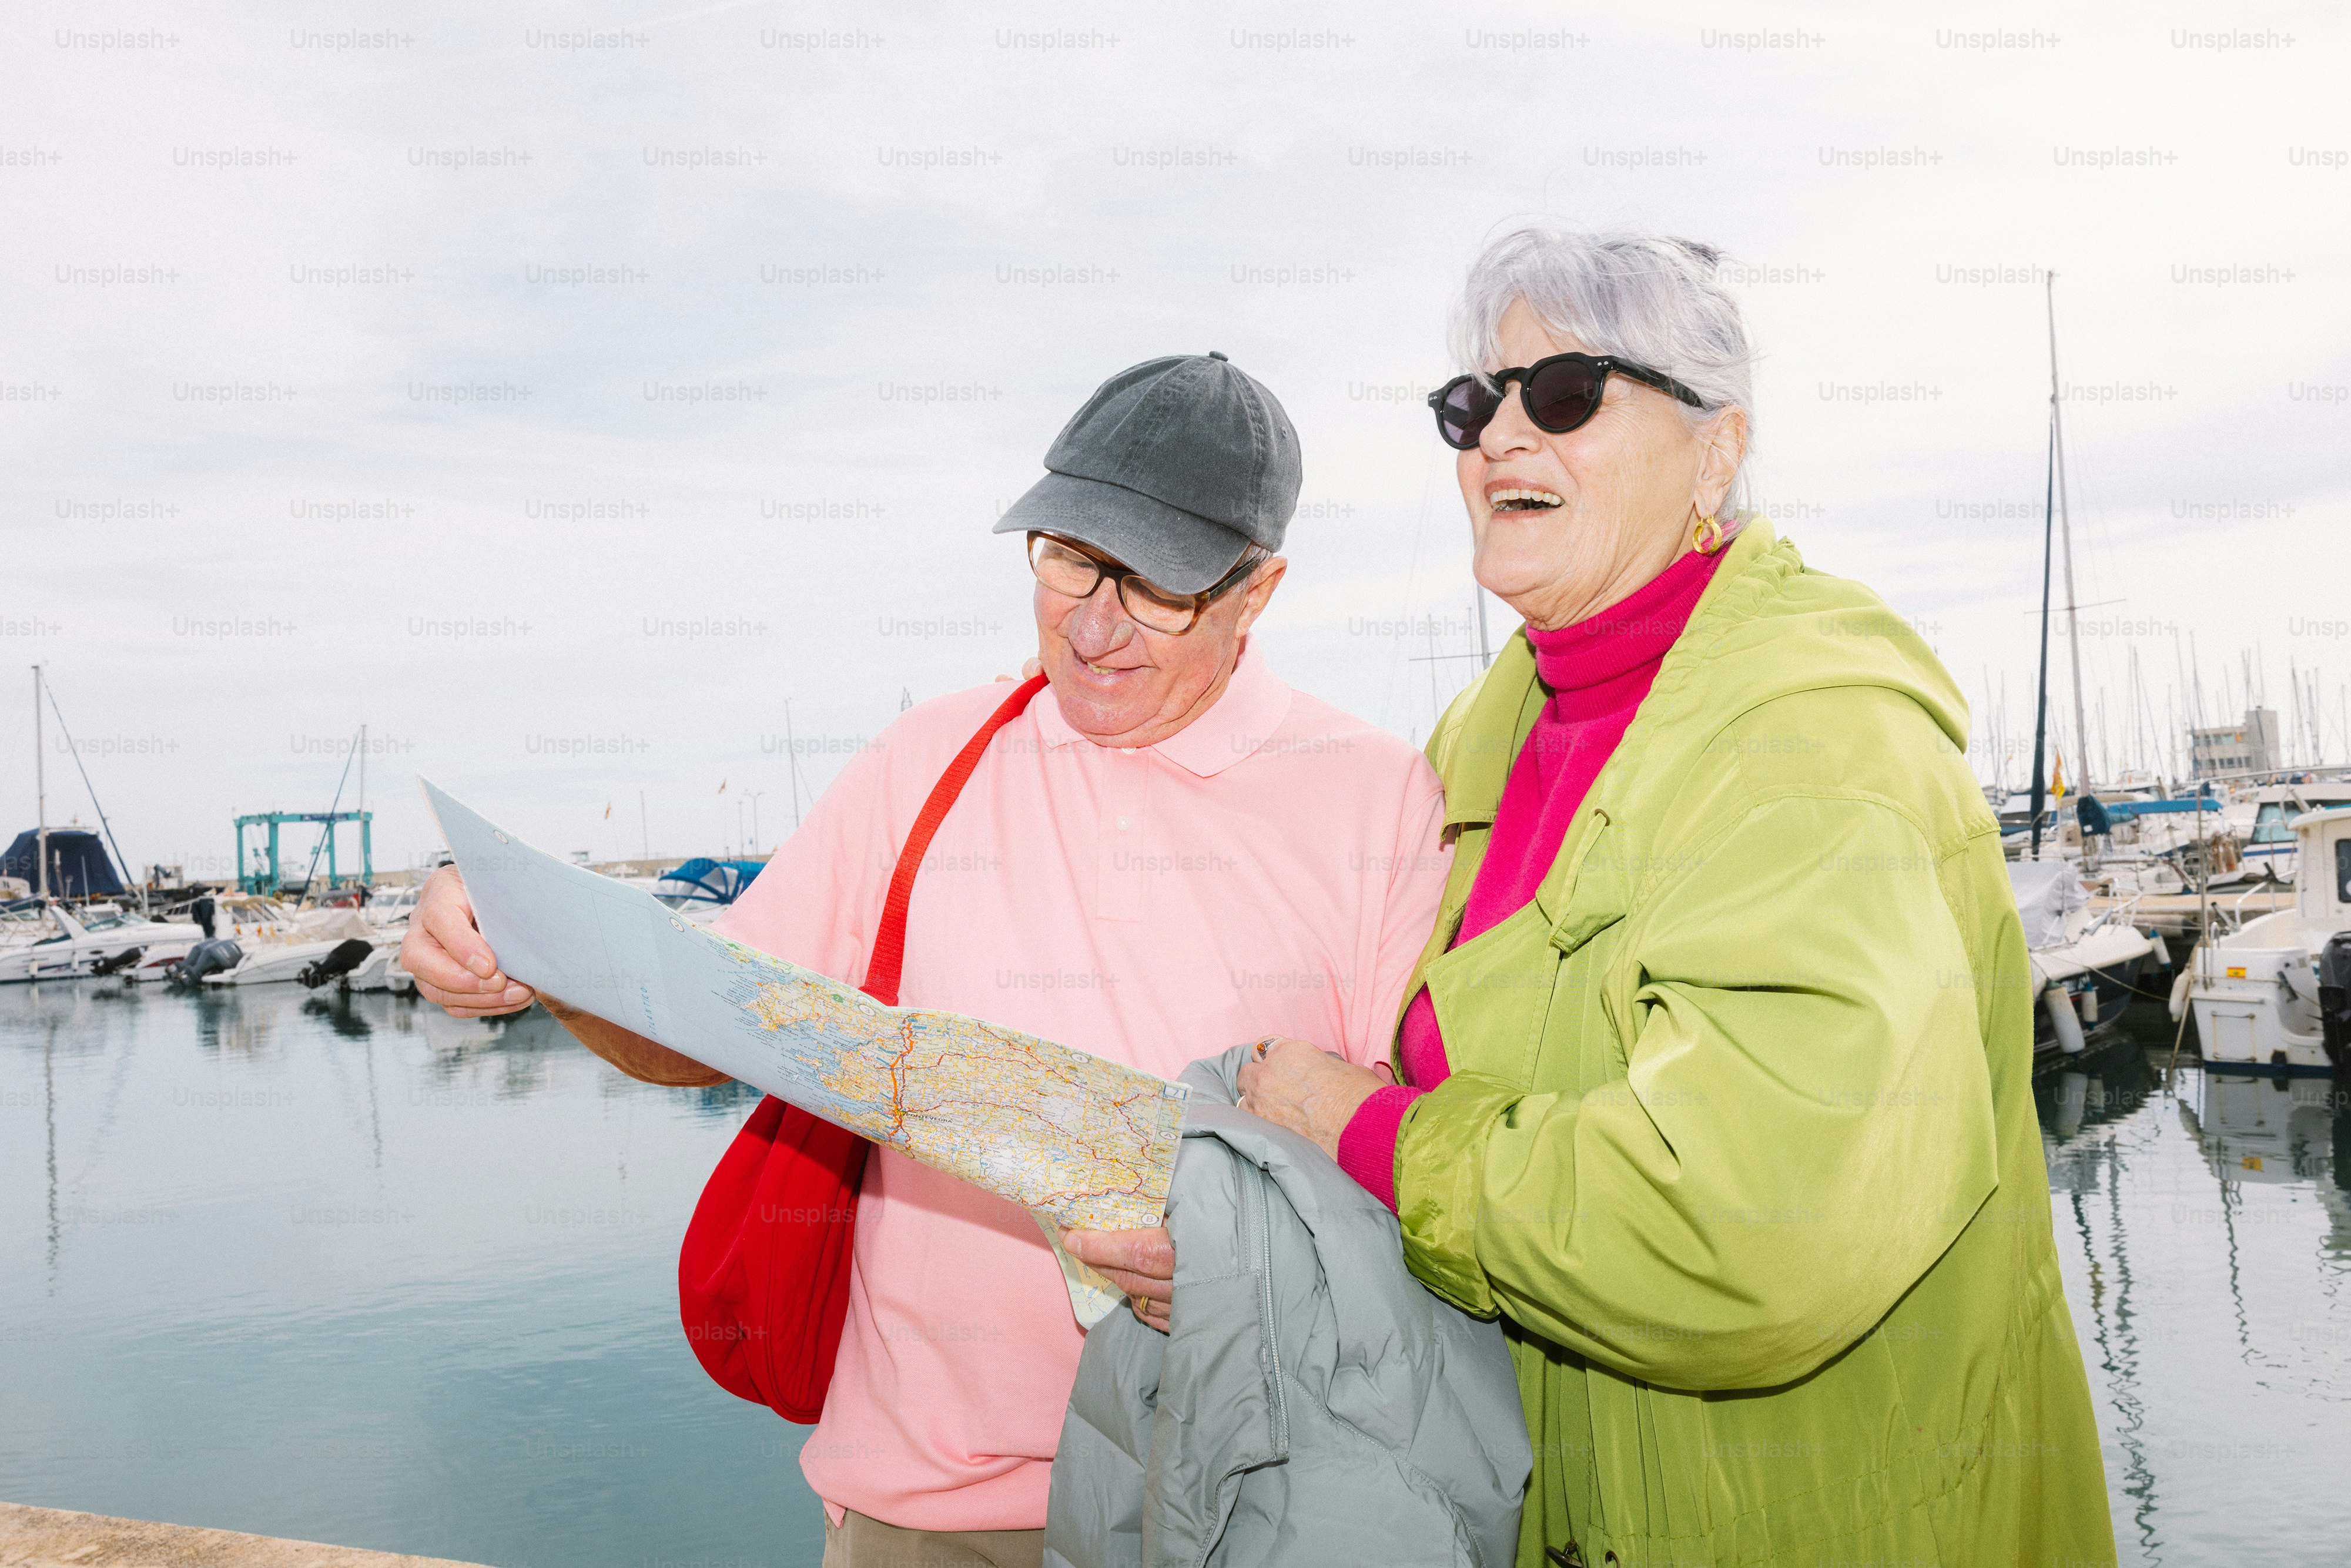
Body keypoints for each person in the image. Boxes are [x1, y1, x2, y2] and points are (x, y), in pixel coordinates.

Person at [1121, 229, 2116, 1567]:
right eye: (1471, 405)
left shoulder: (1817, 747)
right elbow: (1409, 1081)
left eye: (1568, 390)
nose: (1498, 438)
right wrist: (1252, 1226)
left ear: (1717, 447)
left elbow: (1736, 1228)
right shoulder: (1480, 732)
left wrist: (1364, 1128)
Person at [403, 353, 1448, 1568]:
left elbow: (1411, 1161)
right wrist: (527, 944)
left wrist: (1244, 1262)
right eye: (1066, 556)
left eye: (1152, 584)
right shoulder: (925, 758)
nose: (1093, 625)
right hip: (930, 1510)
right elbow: (697, 1025)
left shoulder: (1376, 796)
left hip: (1251, 1495)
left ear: (1255, 591)